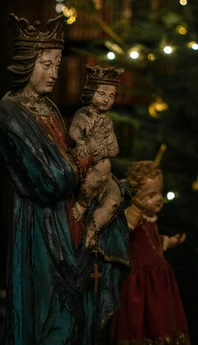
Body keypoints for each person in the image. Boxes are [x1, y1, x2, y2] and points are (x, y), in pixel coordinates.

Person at [0, 13, 129, 345]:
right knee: (51, 318)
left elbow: (66, 165)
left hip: (68, 220)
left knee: (77, 320)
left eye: (56, 64)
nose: (54, 73)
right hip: (38, 228)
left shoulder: (49, 107)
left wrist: (79, 168)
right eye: (47, 64)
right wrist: (84, 161)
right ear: (27, 63)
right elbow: (52, 178)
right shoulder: (11, 111)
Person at [109, 161, 193, 345]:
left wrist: (169, 242)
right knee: (143, 319)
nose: (158, 198)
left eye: (159, 192)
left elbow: (153, 242)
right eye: (151, 195)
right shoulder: (132, 215)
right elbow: (127, 228)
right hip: (141, 283)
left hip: (159, 281)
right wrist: (136, 206)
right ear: (135, 196)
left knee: (162, 318)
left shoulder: (151, 220)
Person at [70, 65, 125, 248]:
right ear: (90, 93)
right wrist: (81, 142)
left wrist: (105, 152)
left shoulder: (107, 121)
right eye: (101, 94)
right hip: (89, 171)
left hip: (107, 176)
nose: (106, 100)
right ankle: (80, 206)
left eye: (111, 96)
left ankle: (92, 231)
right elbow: (74, 129)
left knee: (113, 201)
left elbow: (115, 148)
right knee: (93, 181)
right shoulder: (84, 115)